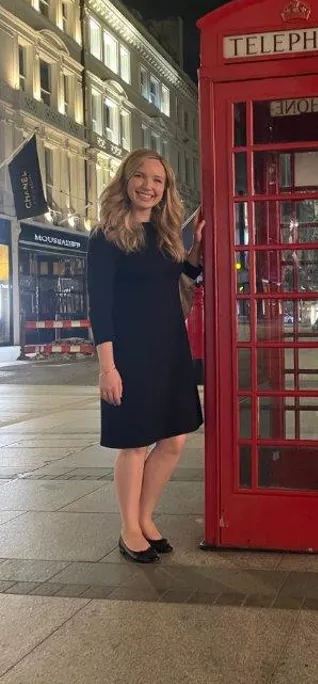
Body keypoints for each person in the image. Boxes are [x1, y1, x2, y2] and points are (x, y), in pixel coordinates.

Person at [87, 149, 204, 564]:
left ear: (166, 188)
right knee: (134, 445)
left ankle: (145, 515)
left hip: (170, 347)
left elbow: (180, 290)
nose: (148, 186)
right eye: (140, 177)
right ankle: (129, 528)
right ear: (125, 180)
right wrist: (108, 368)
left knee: (174, 438)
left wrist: (194, 255)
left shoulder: (166, 234)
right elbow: (99, 305)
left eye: (158, 180)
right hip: (129, 352)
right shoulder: (106, 237)